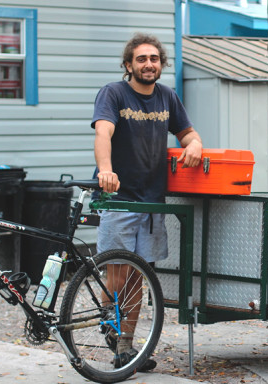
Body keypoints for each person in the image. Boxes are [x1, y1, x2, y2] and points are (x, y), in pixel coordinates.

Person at [92, 32, 203, 370]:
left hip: (153, 202)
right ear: (129, 65)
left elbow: (188, 133)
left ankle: (126, 348)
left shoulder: (167, 97)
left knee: (140, 276)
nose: (149, 64)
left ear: (161, 64)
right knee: (118, 275)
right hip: (119, 199)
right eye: (141, 59)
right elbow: (103, 132)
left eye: (154, 58)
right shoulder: (114, 93)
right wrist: (106, 170)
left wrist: (195, 144)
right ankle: (108, 323)